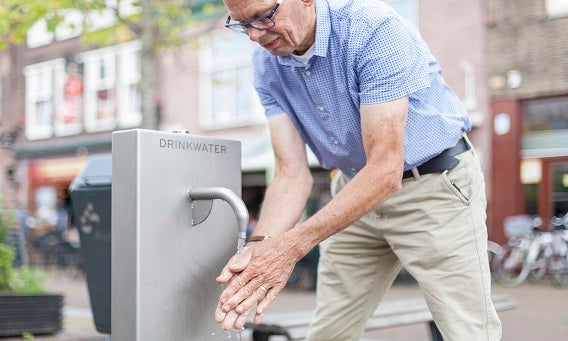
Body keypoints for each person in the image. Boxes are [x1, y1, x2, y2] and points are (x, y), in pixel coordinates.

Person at [215, 0, 502, 339]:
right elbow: (291, 174)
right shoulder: (267, 65)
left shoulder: (372, 29)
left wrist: (291, 247)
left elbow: (384, 170)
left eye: (263, 17)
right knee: (329, 333)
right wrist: (262, 247)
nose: (254, 35)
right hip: (353, 193)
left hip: (434, 188)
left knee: (466, 329)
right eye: (241, 24)